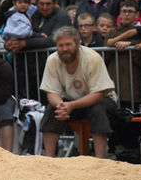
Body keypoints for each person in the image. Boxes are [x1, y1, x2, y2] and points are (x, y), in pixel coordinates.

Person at [39, 26, 119, 158]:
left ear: (78, 43)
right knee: (51, 110)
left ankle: (100, 160)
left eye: (68, 45)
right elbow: (51, 92)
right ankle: (49, 159)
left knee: (97, 110)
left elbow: (98, 94)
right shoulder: (52, 60)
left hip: (103, 100)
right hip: (71, 102)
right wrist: (61, 106)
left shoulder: (92, 58)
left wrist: (71, 106)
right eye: (61, 45)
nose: (65, 49)